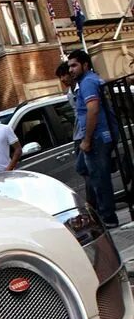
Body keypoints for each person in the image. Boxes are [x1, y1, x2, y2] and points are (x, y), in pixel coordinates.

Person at [68, 49, 118, 228]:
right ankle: (98, 210)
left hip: (97, 136)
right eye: (70, 66)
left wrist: (87, 139)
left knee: (99, 178)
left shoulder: (88, 82)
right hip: (99, 135)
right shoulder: (89, 80)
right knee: (83, 168)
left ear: (85, 64)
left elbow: (93, 110)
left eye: (74, 65)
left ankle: (108, 218)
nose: (71, 70)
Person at [56, 60, 97, 209]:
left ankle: (92, 204)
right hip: (77, 135)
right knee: (85, 170)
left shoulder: (83, 88)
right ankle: (92, 203)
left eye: (64, 75)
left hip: (85, 134)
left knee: (85, 168)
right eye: (60, 77)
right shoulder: (69, 94)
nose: (62, 79)